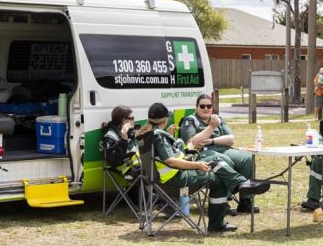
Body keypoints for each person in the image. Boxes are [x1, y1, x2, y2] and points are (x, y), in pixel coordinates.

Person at [147, 102, 269, 233]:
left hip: (164, 178)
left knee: (215, 159)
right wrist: (197, 164)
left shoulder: (146, 134)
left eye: (208, 106)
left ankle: (240, 183)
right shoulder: (158, 135)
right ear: (164, 119)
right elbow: (170, 161)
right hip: (175, 180)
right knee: (218, 178)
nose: (206, 108)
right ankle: (217, 222)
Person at [179, 93, 259, 215]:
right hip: (202, 154)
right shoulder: (190, 120)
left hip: (222, 148)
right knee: (224, 160)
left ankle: (245, 201)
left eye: (209, 106)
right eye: (202, 106)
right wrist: (211, 127)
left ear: (212, 107)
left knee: (247, 158)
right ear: (196, 107)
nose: (206, 109)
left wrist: (212, 140)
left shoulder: (218, 119)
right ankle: (223, 202)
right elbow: (192, 142)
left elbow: (231, 139)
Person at [99, 105, 150, 181]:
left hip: (139, 165)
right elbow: (113, 161)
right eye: (131, 118)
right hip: (127, 169)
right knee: (154, 172)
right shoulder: (110, 135)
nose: (133, 120)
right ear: (123, 120)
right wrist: (123, 139)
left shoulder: (130, 131)